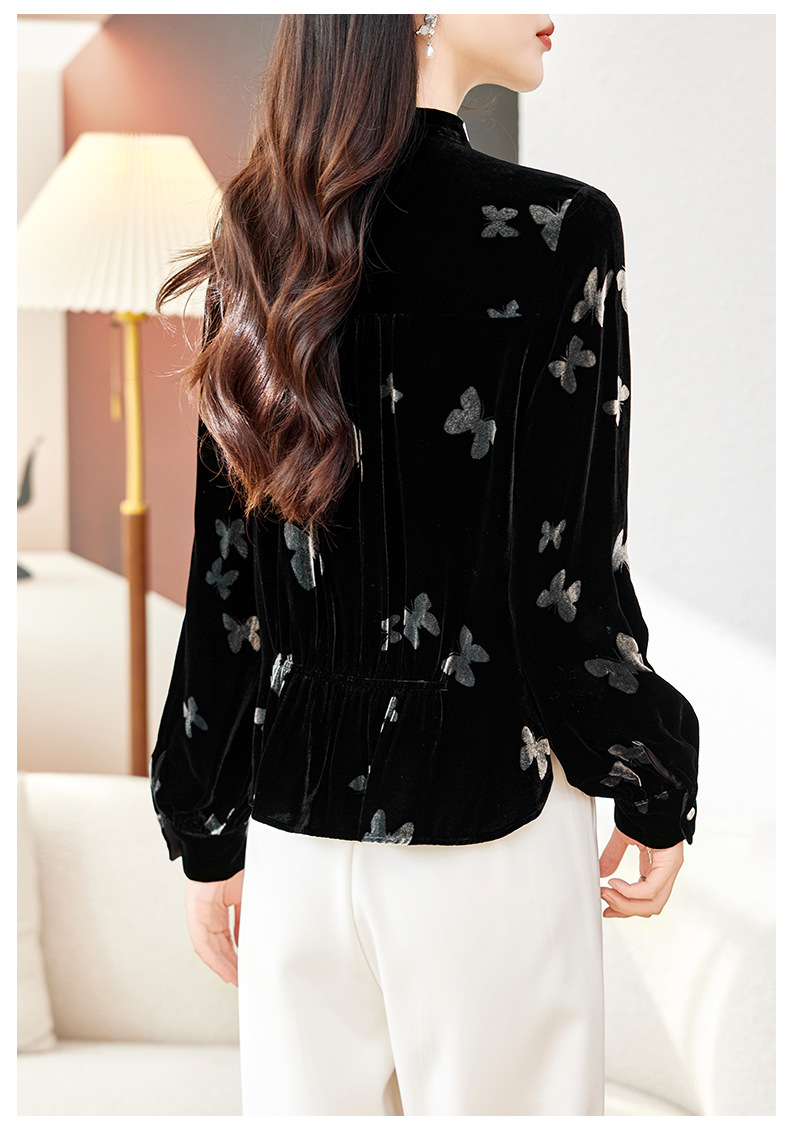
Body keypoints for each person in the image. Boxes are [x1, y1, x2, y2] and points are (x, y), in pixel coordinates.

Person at [150, 14, 700, 1117]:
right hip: (486, 827)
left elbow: (227, 585)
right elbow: (565, 587)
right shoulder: (559, 230)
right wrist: (653, 773)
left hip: (294, 836)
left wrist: (206, 827)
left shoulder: (258, 236)